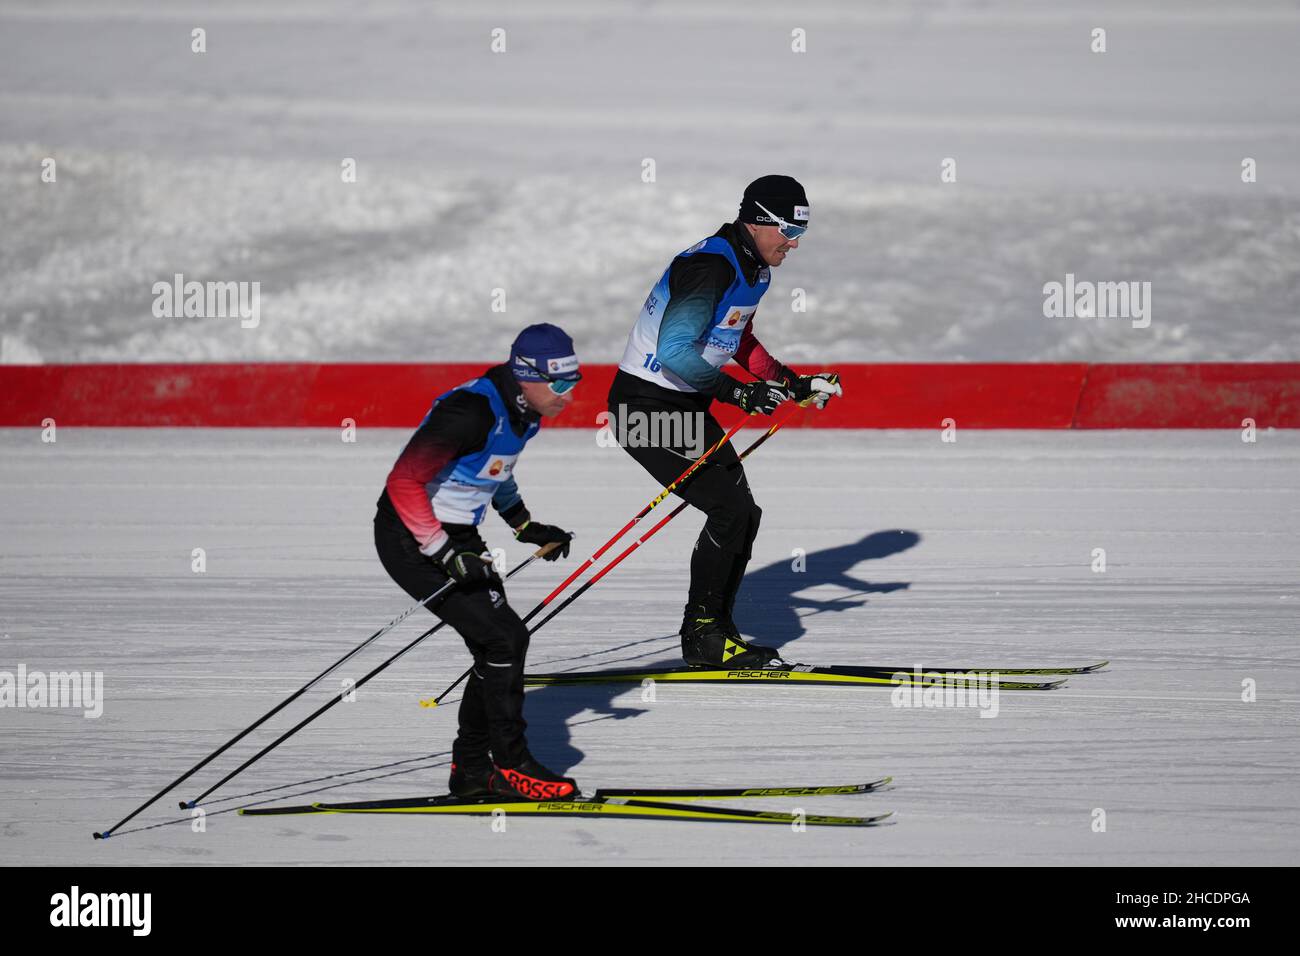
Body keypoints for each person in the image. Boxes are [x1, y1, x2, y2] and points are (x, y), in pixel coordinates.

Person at [609, 175, 842, 668]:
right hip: (643, 412)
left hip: (683, 408)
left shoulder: (753, 269)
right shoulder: (710, 267)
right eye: (786, 230)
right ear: (756, 221)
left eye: (801, 230)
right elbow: (674, 351)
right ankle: (704, 637)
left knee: (745, 513)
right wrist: (738, 393)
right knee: (729, 510)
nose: (794, 242)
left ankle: (715, 632)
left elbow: (735, 338)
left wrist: (790, 383)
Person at [374, 323, 582, 800]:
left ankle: (470, 770)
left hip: (456, 535)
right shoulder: (469, 410)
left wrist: (525, 525)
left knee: (497, 644)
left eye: (575, 382)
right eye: (560, 383)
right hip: (410, 535)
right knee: (505, 637)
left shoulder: (526, 411)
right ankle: (510, 765)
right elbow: (403, 483)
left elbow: (496, 471)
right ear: (527, 374)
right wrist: (445, 553)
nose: (568, 395)